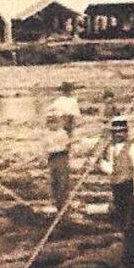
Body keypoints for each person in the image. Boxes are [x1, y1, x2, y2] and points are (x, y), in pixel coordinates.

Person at [98, 115, 134, 268]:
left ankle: (132, 260)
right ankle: (133, 259)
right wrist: (100, 162)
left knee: (130, 224)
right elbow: (112, 170)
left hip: (129, 186)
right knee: (123, 224)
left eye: (122, 131)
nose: (119, 135)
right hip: (117, 188)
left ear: (127, 132)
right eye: (116, 132)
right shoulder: (112, 149)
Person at [44, 82, 80, 211]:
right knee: (59, 179)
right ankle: (61, 203)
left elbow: (51, 111)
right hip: (64, 126)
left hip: (62, 129)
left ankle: (60, 202)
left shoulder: (58, 101)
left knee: (58, 179)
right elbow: (74, 117)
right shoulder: (70, 101)